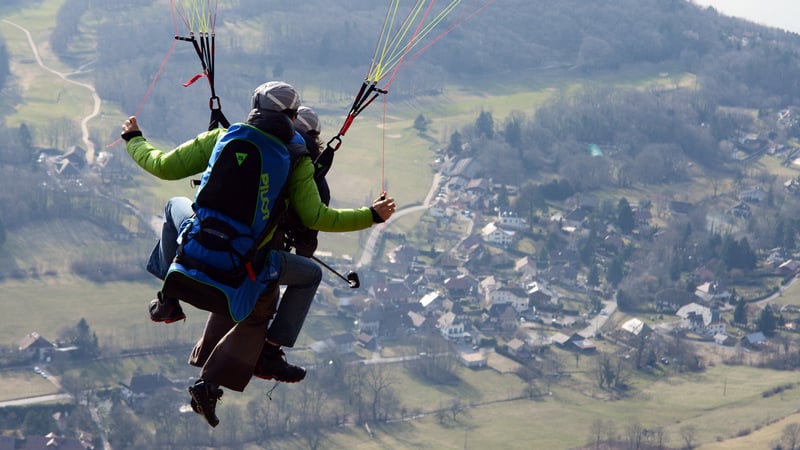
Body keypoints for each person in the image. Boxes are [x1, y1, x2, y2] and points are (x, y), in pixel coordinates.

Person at [121, 81, 396, 427]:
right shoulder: (296, 159)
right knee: (305, 277)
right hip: (245, 264)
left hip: (194, 251)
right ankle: (270, 350)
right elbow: (316, 218)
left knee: (172, 205)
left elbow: (161, 165)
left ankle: (167, 297)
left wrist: (134, 138)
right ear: (292, 117)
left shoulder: (223, 136)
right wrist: (370, 215)